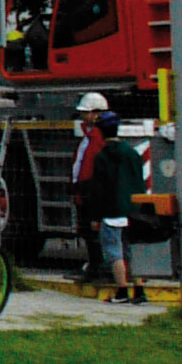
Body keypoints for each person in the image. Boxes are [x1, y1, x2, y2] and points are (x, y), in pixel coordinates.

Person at [91, 115, 146, 303]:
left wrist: (96, 217)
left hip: (112, 211)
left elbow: (98, 190)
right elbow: (140, 180)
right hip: (134, 210)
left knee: (115, 252)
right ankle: (139, 290)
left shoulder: (102, 157)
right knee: (132, 251)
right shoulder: (132, 154)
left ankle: (122, 290)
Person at [71, 93, 113, 281]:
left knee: (93, 230)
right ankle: (95, 267)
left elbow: (91, 163)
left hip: (92, 189)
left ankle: (98, 269)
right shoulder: (90, 134)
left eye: (86, 112)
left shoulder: (97, 136)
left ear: (96, 113)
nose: (83, 116)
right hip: (86, 188)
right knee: (88, 230)